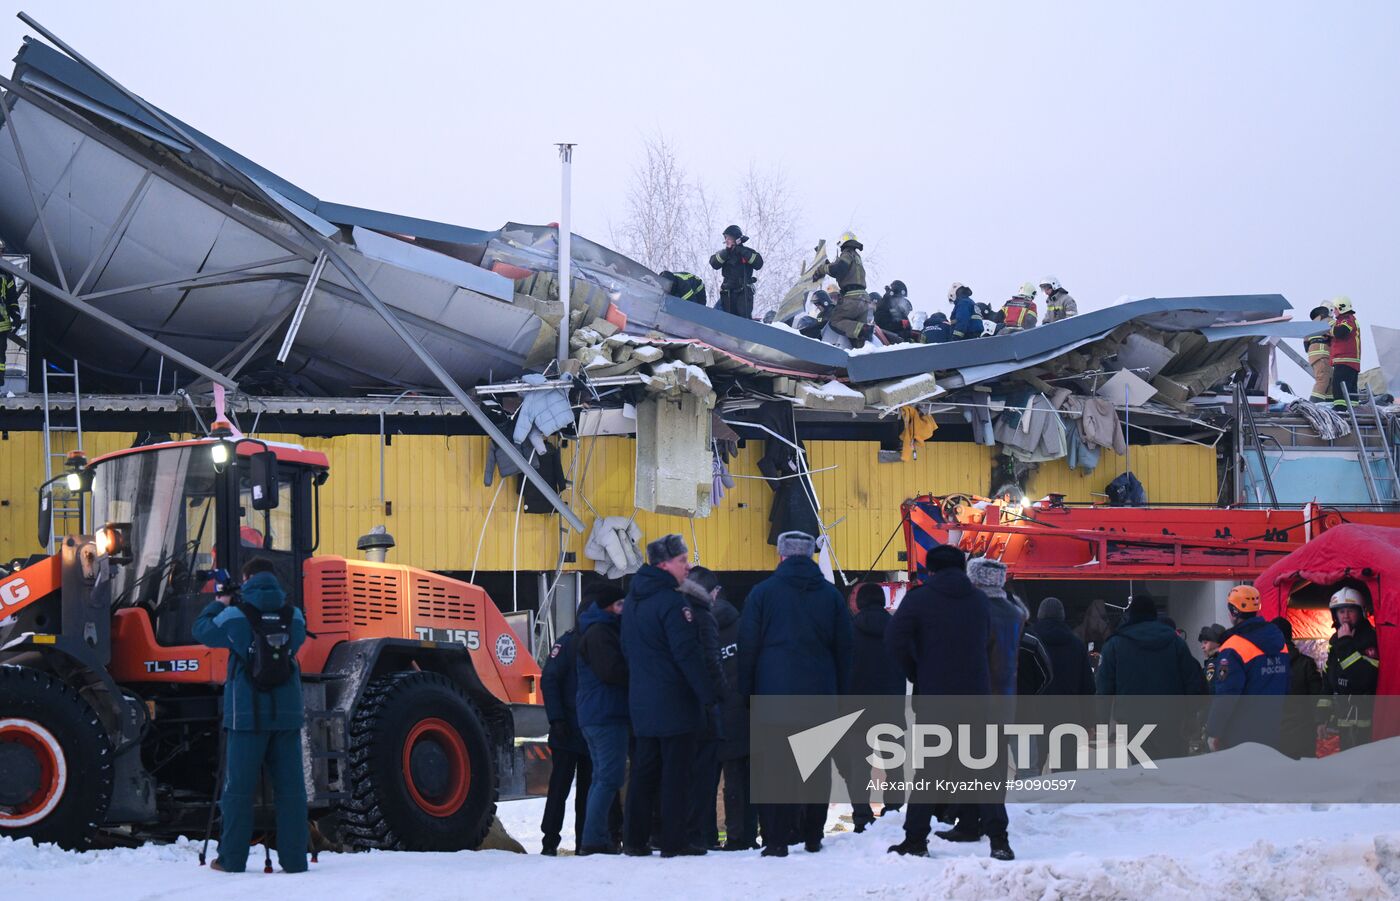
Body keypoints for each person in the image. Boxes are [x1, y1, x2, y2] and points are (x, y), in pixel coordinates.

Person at [739, 531, 853, 857]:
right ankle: (813, 835)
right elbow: (845, 649)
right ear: (811, 557)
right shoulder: (831, 596)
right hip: (820, 697)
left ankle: (776, 840)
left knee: (776, 770)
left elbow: (748, 646)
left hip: (773, 695)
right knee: (815, 771)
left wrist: (747, 692)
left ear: (781, 556)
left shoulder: (762, 593)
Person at [192, 557, 308, 874]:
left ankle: (232, 859)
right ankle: (296, 861)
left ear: (246, 579)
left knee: (239, 791)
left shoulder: (235, 615)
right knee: (291, 791)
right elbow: (295, 644)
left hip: (247, 716)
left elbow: (201, 631)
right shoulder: (293, 615)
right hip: (286, 716)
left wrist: (219, 603)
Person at [884, 545, 991, 860]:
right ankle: (971, 823)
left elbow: (894, 640)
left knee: (930, 768)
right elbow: (989, 640)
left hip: (935, 695)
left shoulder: (920, 599)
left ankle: (916, 838)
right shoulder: (979, 600)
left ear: (931, 569)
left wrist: (915, 670)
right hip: (975, 694)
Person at [620, 534, 716, 857]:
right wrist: (707, 694)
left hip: (643, 704)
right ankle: (674, 841)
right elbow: (687, 653)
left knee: (644, 773)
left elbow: (628, 651)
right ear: (663, 564)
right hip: (675, 704)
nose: (687, 567)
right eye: (681, 561)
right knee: (677, 774)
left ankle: (634, 840)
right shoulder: (674, 603)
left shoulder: (633, 602)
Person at [931, 557, 1022, 861]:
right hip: (1005, 700)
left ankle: (998, 837)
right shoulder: (1014, 613)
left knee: (978, 770)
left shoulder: (976, 612)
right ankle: (970, 824)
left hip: (977, 699)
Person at [1095, 594, 1205, 760]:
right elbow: (1192, 681)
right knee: (1172, 771)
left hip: (1132, 721)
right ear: (1154, 615)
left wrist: (1102, 721)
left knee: (1143, 772)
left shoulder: (1114, 644)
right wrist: (1190, 714)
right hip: (1172, 720)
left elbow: (1104, 687)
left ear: (1130, 616)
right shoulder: (1175, 642)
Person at [693, 569, 753, 851]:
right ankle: (742, 836)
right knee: (739, 779)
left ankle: (705, 836)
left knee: (703, 780)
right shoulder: (743, 626)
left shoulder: (696, 628)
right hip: (740, 710)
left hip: (706, 712)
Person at [539, 592, 597, 855]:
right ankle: (558, 841)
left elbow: (549, 679)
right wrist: (557, 718)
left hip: (577, 729)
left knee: (567, 790)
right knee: (570, 790)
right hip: (575, 729)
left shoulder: (570, 642)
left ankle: (560, 842)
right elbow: (549, 680)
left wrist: (557, 718)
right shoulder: (570, 644)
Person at [845, 583, 906, 831]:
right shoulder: (897, 629)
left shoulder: (849, 630)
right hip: (891, 705)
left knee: (859, 766)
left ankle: (862, 816)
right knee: (894, 763)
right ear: (883, 601)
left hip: (857, 707)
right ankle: (892, 812)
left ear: (859, 604)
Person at [575, 583, 629, 855]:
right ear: (610, 607)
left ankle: (595, 836)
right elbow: (611, 672)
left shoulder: (594, 630)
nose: (624, 610)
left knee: (601, 778)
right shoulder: (601, 633)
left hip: (595, 713)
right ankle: (594, 839)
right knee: (609, 778)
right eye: (620, 605)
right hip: (606, 714)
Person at [677, 566, 729, 851]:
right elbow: (712, 664)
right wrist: (721, 697)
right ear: (714, 593)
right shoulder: (705, 618)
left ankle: (684, 832)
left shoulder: (671, 613)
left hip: (675, 711)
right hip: (705, 712)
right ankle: (700, 835)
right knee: (707, 781)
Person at [1206, 586, 1288, 752]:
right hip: (1273, 728)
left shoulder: (1233, 647)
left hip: (1241, 734)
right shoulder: (1279, 641)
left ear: (1234, 612)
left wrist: (1214, 731)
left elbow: (1227, 695)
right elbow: (1285, 684)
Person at [1321, 587, 1380, 750]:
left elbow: (1365, 678)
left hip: (1364, 719)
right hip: (1340, 717)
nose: (1345, 616)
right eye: (1341, 611)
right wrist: (1322, 717)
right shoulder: (1335, 640)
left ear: (1361, 612)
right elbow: (1328, 678)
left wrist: (1346, 644)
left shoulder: (1370, 638)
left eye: (1350, 611)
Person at [1272, 617, 1325, 759]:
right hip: (1303, 736)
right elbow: (1317, 698)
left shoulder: (1266, 667)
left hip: (1274, 738)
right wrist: (1319, 721)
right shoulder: (1306, 664)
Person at [818, 232, 872, 347]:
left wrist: (822, 269)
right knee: (858, 338)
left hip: (852, 298)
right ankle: (861, 356)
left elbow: (838, 268)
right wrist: (827, 264)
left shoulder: (847, 253)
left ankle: (863, 329)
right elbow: (841, 271)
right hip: (864, 299)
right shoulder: (857, 257)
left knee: (835, 320)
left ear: (842, 242)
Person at [709, 225, 763, 319]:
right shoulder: (724, 254)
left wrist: (742, 251)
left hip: (744, 294)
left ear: (736, 239)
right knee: (720, 319)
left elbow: (758, 264)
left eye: (729, 238)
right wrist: (726, 252)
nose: (726, 241)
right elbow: (714, 263)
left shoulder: (747, 252)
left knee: (742, 322)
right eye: (726, 238)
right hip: (727, 294)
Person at [1328, 297, 1361, 408]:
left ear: (1341, 308)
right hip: (1350, 361)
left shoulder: (1347, 319)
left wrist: (1329, 326)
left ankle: (1340, 408)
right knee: (1350, 389)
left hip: (1345, 360)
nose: (1334, 312)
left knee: (1339, 386)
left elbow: (1341, 332)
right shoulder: (1347, 320)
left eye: (1335, 309)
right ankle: (1354, 408)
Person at [1304, 304, 1334, 403]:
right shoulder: (1328, 321)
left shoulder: (1311, 326)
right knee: (1323, 380)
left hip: (1315, 356)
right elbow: (1338, 331)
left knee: (1330, 381)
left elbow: (1306, 345)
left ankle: (1329, 404)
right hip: (1322, 355)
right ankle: (1314, 405)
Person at [1197, 623, 1226, 691]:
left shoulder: (1213, 663)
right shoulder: (1224, 658)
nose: (1202, 647)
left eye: (1205, 642)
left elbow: (1210, 688)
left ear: (1217, 643)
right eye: (1202, 643)